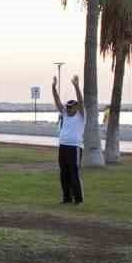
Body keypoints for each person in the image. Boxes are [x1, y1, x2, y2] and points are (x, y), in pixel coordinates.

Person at [53, 73, 84, 205]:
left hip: (74, 147)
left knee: (74, 173)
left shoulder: (81, 115)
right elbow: (57, 102)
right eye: (68, 107)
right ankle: (66, 198)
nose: (68, 109)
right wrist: (53, 87)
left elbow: (81, 101)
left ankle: (78, 199)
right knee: (64, 173)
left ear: (76, 107)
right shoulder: (65, 114)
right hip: (63, 146)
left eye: (71, 107)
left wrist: (76, 86)